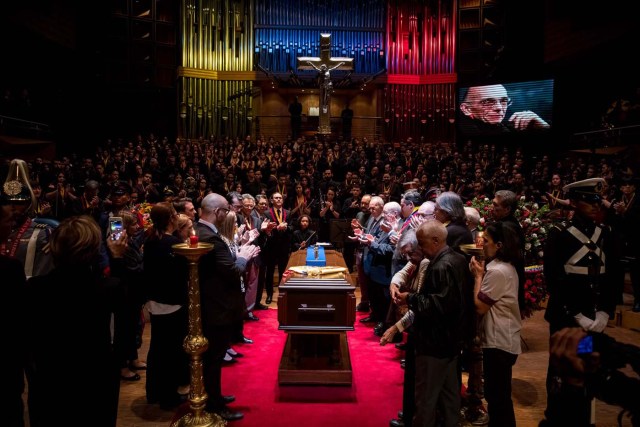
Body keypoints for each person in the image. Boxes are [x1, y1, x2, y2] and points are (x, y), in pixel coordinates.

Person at [25, 215, 127, 427]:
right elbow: (126, 320)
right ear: (92, 251)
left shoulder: (34, 288)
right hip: (94, 379)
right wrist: (117, 258)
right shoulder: (107, 288)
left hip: (49, 379)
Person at [542, 177, 617, 425]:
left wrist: (605, 311)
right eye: (589, 200)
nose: (596, 205)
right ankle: (556, 418)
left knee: (583, 367)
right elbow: (554, 278)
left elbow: (611, 276)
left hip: (591, 321)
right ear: (574, 202)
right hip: (567, 320)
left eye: (598, 200)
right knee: (561, 369)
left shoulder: (604, 233)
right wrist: (576, 314)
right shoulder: (558, 233)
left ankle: (580, 416)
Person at [395, 220, 471, 427]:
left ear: (436, 240)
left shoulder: (441, 266)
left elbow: (437, 306)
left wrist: (409, 298)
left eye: (422, 243)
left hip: (434, 343)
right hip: (451, 341)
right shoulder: (459, 259)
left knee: (426, 400)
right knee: (449, 399)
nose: (420, 248)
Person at [196, 193, 260, 421]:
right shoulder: (210, 238)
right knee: (214, 359)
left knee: (215, 357)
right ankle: (214, 406)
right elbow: (232, 271)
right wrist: (242, 256)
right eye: (226, 210)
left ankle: (215, 396)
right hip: (217, 307)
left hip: (215, 304)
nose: (228, 215)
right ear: (217, 212)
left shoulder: (202, 231)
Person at [469, 221, 523, 427]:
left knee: (498, 398)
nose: (482, 245)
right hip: (499, 339)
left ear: (499, 245)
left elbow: (480, 306)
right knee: (496, 395)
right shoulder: (501, 267)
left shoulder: (498, 271)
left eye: (487, 241)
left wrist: (478, 276)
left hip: (500, 341)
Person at [143, 202, 190, 410]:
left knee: (157, 348)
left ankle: (153, 392)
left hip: (155, 300)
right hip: (172, 301)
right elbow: (182, 274)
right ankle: (168, 397)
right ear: (172, 219)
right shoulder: (172, 243)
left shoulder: (151, 239)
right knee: (170, 351)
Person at [380, 229, 430, 427]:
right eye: (406, 255)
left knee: (421, 379)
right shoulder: (417, 258)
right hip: (415, 326)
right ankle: (410, 414)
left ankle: (415, 418)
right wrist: (394, 285)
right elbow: (402, 273)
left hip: (425, 328)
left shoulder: (426, 264)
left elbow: (419, 306)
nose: (409, 258)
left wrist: (395, 328)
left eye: (411, 254)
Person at [459, 84, 550, 134]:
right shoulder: (462, 130)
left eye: (504, 101)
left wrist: (544, 127)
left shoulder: (511, 128)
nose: (499, 108)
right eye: (488, 102)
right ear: (466, 109)